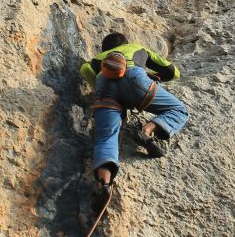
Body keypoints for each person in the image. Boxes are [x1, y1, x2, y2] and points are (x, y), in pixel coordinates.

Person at [80, 32, 188, 199]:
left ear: (105, 49)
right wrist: (151, 77)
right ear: (125, 42)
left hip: (105, 86)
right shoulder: (137, 47)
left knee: (106, 137)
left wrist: (101, 88)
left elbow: (84, 69)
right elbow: (173, 72)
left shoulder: (97, 60)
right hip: (135, 79)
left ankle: (104, 184)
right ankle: (147, 130)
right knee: (179, 110)